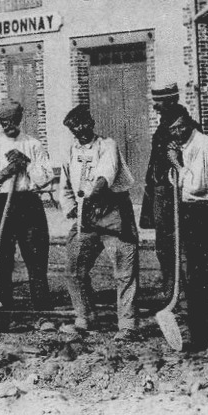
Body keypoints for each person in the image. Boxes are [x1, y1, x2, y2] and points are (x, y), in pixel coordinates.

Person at [59, 104, 139, 337]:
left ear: (91, 123)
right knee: (74, 268)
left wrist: (93, 195)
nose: (81, 130)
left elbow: (107, 174)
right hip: (86, 215)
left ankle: (127, 324)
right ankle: (85, 316)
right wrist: (71, 206)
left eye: (84, 124)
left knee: (124, 271)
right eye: (76, 128)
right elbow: (64, 183)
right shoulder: (71, 150)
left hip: (112, 211)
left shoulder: (107, 145)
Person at [163, 107, 208, 357]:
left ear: (190, 123)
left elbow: (197, 185)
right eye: (173, 128)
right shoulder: (183, 147)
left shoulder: (202, 144)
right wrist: (177, 164)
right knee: (193, 275)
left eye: (182, 125)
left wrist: (175, 162)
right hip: (191, 213)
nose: (179, 131)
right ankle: (198, 336)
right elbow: (178, 184)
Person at [0, 99, 55, 315]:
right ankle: (3, 306)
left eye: (11, 120)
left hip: (28, 202)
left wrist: (26, 164)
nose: (7, 125)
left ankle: (42, 307)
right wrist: (5, 173)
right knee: (1, 256)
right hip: (1, 204)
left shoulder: (33, 144)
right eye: (3, 122)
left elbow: (46, 178)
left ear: (19, 119)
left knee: (36, 256)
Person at [139, 83, 184, 302]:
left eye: (159, 101)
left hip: (171, 192)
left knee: (170, 243)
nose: (155, 106)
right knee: (164, 243)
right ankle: (173, 287)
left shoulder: (181, 125)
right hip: (160, 190)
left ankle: (175, 289)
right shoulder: (165, 122)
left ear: (172, 101)